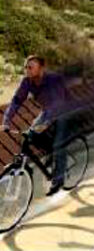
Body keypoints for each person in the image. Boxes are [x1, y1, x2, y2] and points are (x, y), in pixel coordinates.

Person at [1, 55, 73, 196]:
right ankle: (51, 154)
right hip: (47, 111)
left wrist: (46, 123)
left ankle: (59, 179)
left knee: (59, 145)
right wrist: (6, 120)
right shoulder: (27, 81)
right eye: (26, 67)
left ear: (41, 69)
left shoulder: (54, 80)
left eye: (30, 67)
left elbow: (58, 103)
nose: (27, 70)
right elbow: (16, 101)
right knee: (30, 136)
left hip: (64, 111)